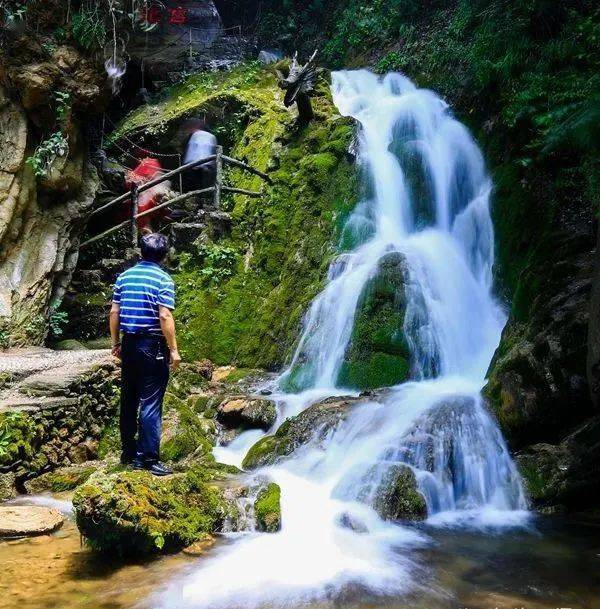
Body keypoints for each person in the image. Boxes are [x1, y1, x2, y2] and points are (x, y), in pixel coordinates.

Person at [109, 233, 182, 476]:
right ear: (164, 256)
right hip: (152, 345)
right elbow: (164, 316)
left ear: (141, 252)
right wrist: (173, 350)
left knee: (128, 399)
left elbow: (114, 313)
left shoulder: (124, 277)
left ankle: (128, 452)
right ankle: (148, 459)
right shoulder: (163, 279)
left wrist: (115, 343)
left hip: (129, 344)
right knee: (150, 402)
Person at [125, 157, 173, 234]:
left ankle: (147, 230)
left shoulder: (149, 166)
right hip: (145, 199)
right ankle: (146, 230)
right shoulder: (150, 166)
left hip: (147, 198)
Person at [181, 119, 217, 192]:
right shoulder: (212, 137)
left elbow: (191, 152)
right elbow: (213, 153)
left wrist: (185, 164)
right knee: (203, 189)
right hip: (207, 167)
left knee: (190, 188)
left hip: (193, 166)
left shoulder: (195, 135)